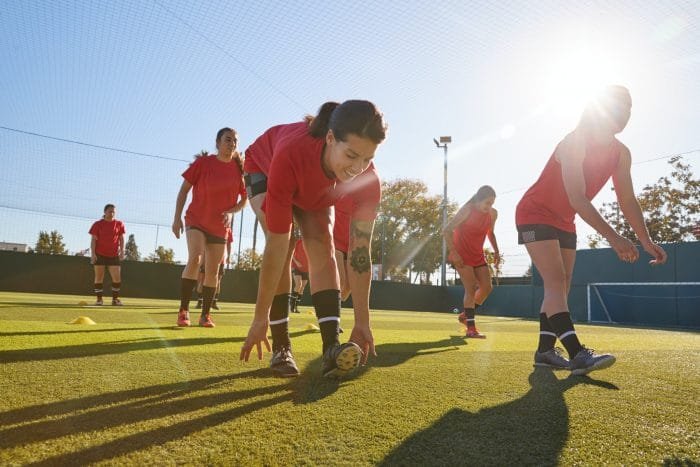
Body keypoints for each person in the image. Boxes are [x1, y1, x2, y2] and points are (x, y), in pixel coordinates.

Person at [516, 85, 667, 375]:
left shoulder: (621, 153)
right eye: (617, 106)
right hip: (534, 213)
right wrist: (613, 237)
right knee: (555, 281)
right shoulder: (575, 141)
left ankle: (545, 351)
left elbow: (627, 199)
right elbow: (577, 197)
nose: (624, 112)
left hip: (564, 219)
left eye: (628, 108)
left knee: (563, 284)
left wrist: (645, 240)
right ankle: (578, 355)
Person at [240, 100, 386, 378]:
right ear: (331, 138)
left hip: (314, 189)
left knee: (323, 245)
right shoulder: (291, 152)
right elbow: (276, 244)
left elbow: (359, 254)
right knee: (285, 245)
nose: (358, 168)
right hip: (265, 166)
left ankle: (331, 348)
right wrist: (259, 318)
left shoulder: (369, 180)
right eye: (352, 155)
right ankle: (281, 346)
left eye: (368, 159)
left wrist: (362, 321)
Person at [172, 128, 247, 328]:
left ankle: (205, 315)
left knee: (213, 271)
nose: (232, 143)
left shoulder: (239, 170)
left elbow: (245, 200)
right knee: (196, 259)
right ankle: (183, 310)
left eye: (235, 141)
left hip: (219, 227)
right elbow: (184, 190)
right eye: (228, 139)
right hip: (196, 220)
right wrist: (176, 218)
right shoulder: (203, 163)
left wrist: (232, 212)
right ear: (218, 142)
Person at [443, 185, 499, 338]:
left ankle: (464, 316)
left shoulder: (493, 214)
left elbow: (490, 233)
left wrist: (497, 251)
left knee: (487, 288)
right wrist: (453, 252)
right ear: (478, 200)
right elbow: (446, 230)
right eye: (487, 203)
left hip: (477, 255)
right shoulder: (467, 210)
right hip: (461, 254)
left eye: (492, 203)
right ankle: (471, 329)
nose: (490, 206)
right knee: (471, 288)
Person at [89, 204, 126, 306]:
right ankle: (99, 300)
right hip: (99, 254)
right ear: (105, 212)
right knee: (99, 277)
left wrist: (122, 251)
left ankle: (115, 300)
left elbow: (121, 238)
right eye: (110, 211)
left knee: (117, 278)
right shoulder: (97, 224)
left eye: (114, 211)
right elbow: (93, 240)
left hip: (114, 255)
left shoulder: (119, 224)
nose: (112, 213)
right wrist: (93, 254)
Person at [195, 226, 233, 310]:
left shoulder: (228, 229)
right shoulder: (207, 225)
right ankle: (200, 301)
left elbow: (229, 243)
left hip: (220, 259)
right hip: (206, 258)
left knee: (218, 280)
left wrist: (229, 256)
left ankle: (214, 302)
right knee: (202, 279)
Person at [290, 238, 309, 313]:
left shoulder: (310, 242)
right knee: (299, 284)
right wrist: (296, 262)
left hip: (306, 268)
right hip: (296, 266)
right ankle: (291, 307)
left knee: (302, 287)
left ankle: (295, 307)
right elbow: (292, 253)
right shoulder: (298, 242)